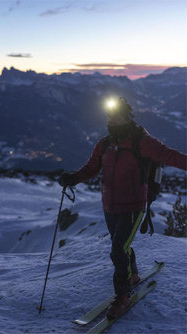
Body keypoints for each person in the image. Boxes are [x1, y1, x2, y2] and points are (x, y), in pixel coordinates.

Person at [58, 97, 187, 320]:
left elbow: (169, 155)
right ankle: (133, 274)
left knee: (118, 250)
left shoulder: (142, 142)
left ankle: (122, 295)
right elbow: (91, 168)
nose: (112, 119)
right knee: (122, 246)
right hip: (109, 205)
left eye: (116, 115)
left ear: (127, 116)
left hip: (133, 206)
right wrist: (73, 178)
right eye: (109, 116)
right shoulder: (105, 144)